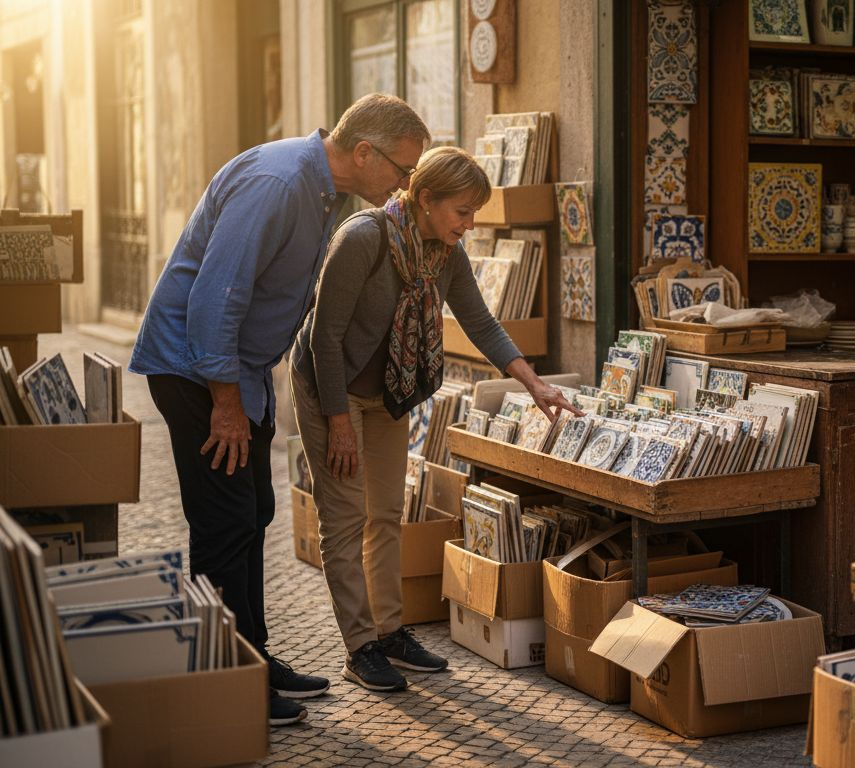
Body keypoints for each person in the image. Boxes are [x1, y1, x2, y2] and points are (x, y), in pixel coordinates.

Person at [129, 93, 431, 726]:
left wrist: (250, 394)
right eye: (403, 171)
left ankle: (255, 659)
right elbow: (218, 297)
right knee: (224, 525)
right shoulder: (279, 181)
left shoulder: (326, 190)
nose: (407, 186)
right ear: (363, 153)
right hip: (198, 373)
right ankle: (228, 685)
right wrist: (227, 406)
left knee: (256, 510)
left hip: (237, 374)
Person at [287, 146, 579, 692]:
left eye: (474, 214)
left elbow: (481, 322)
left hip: (389, 391)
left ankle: (390, 631)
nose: (469, 225)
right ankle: (360, 646)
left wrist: (535, 384)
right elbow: (324, 336)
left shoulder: (446, 256)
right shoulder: (362, 238)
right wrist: (338, 423)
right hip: (332, 387)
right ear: (425, 199)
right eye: (462, 212)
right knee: (346, 518)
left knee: (388, 513)